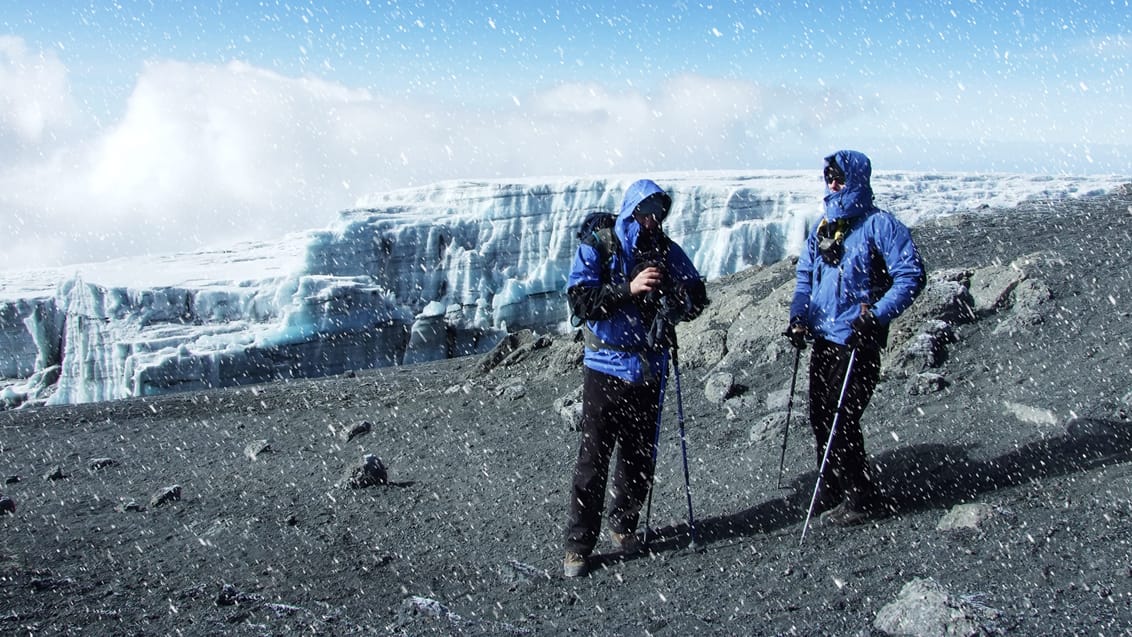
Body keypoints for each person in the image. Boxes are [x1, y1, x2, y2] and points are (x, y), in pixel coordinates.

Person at [563, 179, 709, 577]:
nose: (651, 221)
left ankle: (623, 526)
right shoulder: (601, 245)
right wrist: (628, 289)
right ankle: (578, 546)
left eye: (657, 214)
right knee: (593, 460)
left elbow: (697, 294)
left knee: (639, 457)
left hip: (649, 367)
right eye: (644, 212)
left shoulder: (664, 250)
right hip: (606, 367)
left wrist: (678, 301)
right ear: (630, 210)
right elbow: (581, 301)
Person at [787, 150, 925, 526]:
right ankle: (832, 488)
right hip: (824, 339)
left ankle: (862, 497)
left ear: (857, 179)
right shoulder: (824, 226)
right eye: (829, 175)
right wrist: (799, 316)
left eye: (839, 176)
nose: (833, 182)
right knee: (821, 417)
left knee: (840, 418)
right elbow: (804, 279)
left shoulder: (881, 226)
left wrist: (877, 315)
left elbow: (911, 276)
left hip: (857, 340)